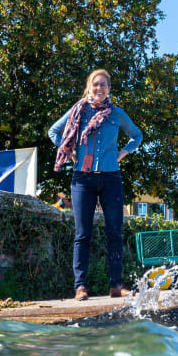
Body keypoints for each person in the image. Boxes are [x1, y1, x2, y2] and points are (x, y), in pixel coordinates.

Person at [48, 69, 142, 300]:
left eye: (103, 85)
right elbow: (54, 131)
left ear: (109, 88)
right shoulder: (78, 110)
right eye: (95, 84)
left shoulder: (117, 114)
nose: (99, 88)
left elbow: (137, 136)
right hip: (83, 179)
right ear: (89, 87)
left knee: (115, 233)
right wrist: (68, 151)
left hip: (111, 179)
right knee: (83, 234)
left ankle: (116, 286)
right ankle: (80, 287)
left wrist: (122, 154)